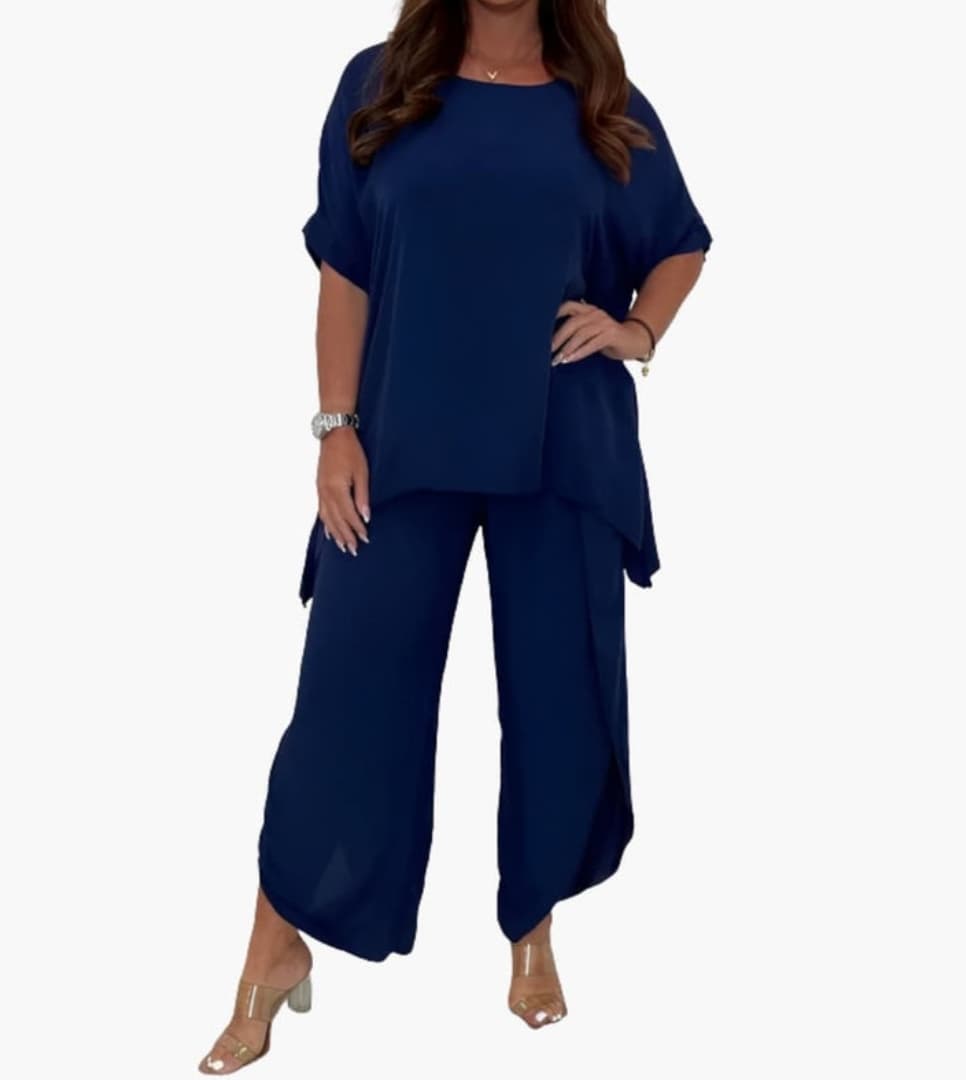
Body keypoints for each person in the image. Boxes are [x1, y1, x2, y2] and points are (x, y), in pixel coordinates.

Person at [199, 0, 710, 1070]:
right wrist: (335, 428)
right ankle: (275, 942)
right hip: (400, 440)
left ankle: (534, 930)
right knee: (347, 695)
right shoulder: (381, 83)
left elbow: (681, 242)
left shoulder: (602, 102)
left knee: (557, 694)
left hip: (562, 440)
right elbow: (345, 269)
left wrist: (636, 331)